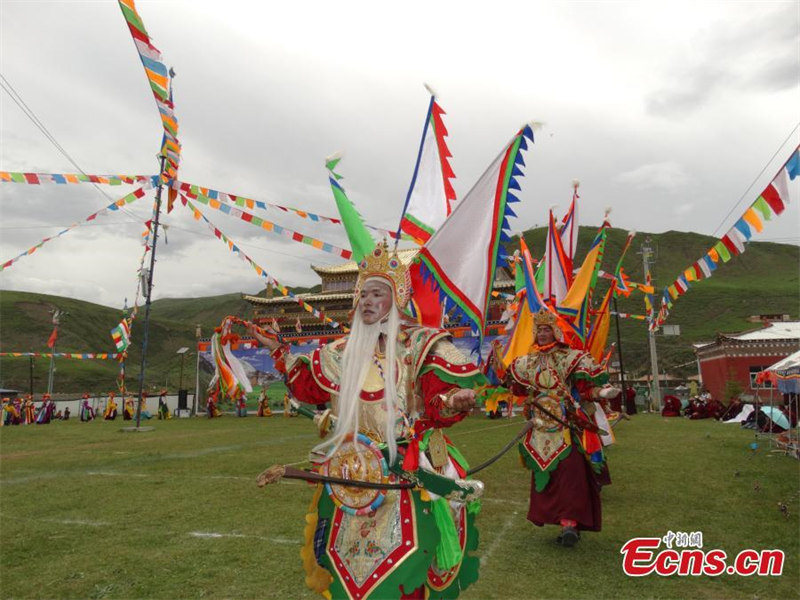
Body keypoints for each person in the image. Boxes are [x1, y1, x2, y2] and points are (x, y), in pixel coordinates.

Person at [250, 241, 484, 599]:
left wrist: (455, 400)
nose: (368, 301)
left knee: (406, 566)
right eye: (364, 294)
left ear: (397, 299)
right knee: (350, 571)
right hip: (353, 475)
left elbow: (438, 398)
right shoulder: (339, 353)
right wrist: (278, 351)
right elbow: (308, 388)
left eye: (378, 293)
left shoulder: (420, 345)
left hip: (406, 471)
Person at [508, 308, 617, 547]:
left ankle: (570, 523)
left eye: (547, 329)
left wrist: (602, 392)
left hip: (567, 427)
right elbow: (516, 387)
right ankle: (555, 518)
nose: (543, 334)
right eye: (539, 330)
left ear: (555, 332)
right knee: (548, 476)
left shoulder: (571, 357)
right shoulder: (529, 361)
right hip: (539, 428)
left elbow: (585, 388)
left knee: (572, 474)